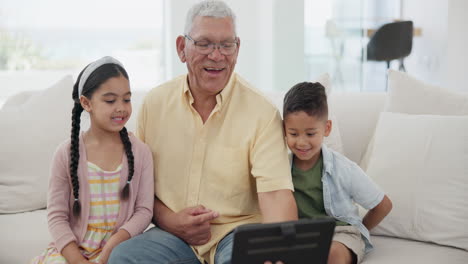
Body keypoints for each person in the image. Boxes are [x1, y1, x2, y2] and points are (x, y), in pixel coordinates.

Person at [108, 1, 297, 263]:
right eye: (204, 43)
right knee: (124, 257)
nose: (217, 55)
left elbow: (276, 195)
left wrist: (277, 251)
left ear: (237, 48)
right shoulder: (155, 104)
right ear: (181, 48)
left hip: (236, 234)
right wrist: (171, 220)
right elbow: (141, 187)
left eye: (226, 44)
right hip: (172, 236)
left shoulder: (262, 113)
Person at [31, 56, 154, 264]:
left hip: (120, 251)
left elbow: (144, 211)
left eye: (126, 99)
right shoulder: (66, 153)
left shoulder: (141, 152)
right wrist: (78, 260)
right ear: (86, 103)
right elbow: (56, 217)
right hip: (72, 254)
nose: (121, 108)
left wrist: (114, 245)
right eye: (110, 100)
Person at [282, 82, 393, 264]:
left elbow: (383, 205)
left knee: (331, 255)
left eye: (310, 134)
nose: (301, 143)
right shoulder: (280, 167)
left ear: (326, 128)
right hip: (299, 237)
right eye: (293, 134)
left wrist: (359, 230)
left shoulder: (343, 168)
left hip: (339, 234)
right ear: (284, 129)